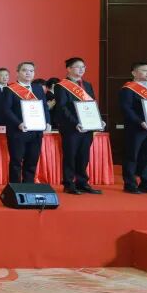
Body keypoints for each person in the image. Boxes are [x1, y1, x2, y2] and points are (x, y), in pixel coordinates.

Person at [53, 57, 104, 195]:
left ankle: (82, 183)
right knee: (70, 155)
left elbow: (92, 105)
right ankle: (69, 184)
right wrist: (76, 123)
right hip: (71, 127)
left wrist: (98, 120)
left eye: (83, 67)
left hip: (87, 126)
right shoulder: (61, 86)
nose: (81, 69)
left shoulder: (87, 85)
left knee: (83, 155)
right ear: (69, 69)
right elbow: (62, 108)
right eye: (77, 67)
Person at [119, 62, 147, 194]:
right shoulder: (128, 89)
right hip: (136, 128)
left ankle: (146, 183)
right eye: (144, 70)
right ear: (134, 73)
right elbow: (126, 109)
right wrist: (140, 122)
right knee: (132, 156)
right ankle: (130, 184)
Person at [3, 62, 49, 183]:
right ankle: (15, 187)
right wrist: (18, 123)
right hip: (18, 131)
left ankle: (28, 185)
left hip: (36, 131)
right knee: (16, 161)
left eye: (31, 71)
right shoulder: (9, 89)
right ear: (17, 73)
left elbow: (44, 107)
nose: (28, 73)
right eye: (24, 70)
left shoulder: (38, 88)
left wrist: (47, 122)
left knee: (32, 160)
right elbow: (6, 110)